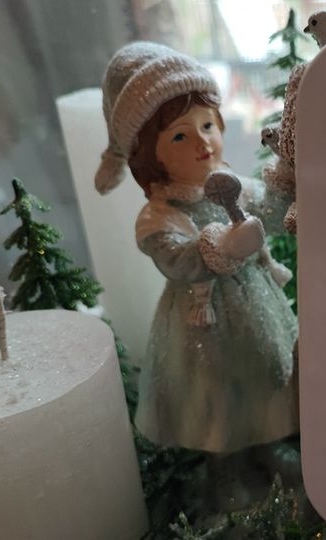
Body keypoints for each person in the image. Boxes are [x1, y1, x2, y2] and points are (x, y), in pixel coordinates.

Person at [93, 42, 297, 458]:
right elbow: (177, 261)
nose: (202, 141)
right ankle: (224, 468)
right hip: (203, 327)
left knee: (266, 374)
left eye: (207, 125)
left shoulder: (234, 185)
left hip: (258, 303)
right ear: (149, 155)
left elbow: (275, 216)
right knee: (216, 397)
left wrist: (286, 174)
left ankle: (270, 448)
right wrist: (223, 245)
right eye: (180, 136)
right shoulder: (160, 215)